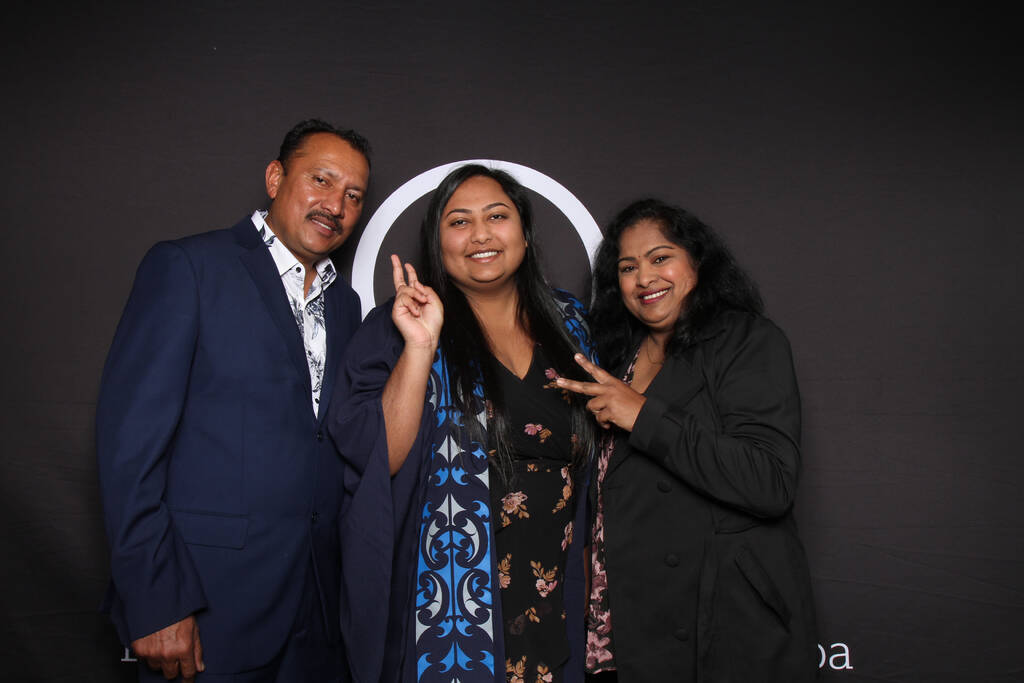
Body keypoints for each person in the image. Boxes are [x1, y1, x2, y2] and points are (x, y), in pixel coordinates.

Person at [96, 119, 372, 682]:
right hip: (204, 605)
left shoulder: (346, 305)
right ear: (275, 178)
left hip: (316, 615)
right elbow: (129, 451)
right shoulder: (190, 268)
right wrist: (157, 600)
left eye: (353, 195)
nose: (335, 205)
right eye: (320, 180)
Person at [328, 164, 596, 683]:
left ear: (523, 229)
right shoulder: (397, 326)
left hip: (552, 594)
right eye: (459, 221)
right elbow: (380, 455)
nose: (480, 234)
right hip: (449, 603)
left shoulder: (572, 324)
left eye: (497, 216)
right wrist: (421, 345)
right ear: (437, 238)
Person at [556, 199, 819, 682]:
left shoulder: (746, 340)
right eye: (628, 267)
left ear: (696, 261)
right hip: (633, 624)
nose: (645, 278)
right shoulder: (619, 358)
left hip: (723, 625)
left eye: (660, 258)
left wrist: (642, 415)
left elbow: (770, 481)